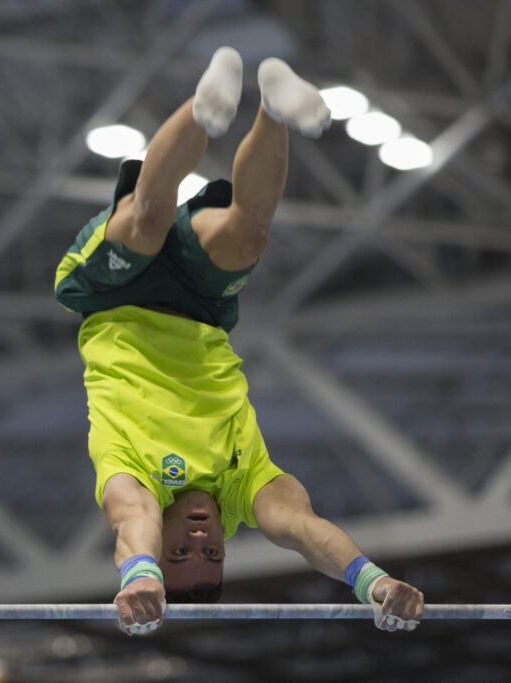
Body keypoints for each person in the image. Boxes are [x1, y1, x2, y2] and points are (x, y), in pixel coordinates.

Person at [55, 47, 424, 636]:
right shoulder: (243, 485)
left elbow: (133, 522)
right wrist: (372, 581)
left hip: (110, 299)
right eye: (214, 554)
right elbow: (304, 529)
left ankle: (204, 112)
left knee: (148, 218)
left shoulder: (132, 478)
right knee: (246, 233)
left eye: (181, 553)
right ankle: (274, 108)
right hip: (200, 314)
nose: (201, 540)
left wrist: (143, 575)